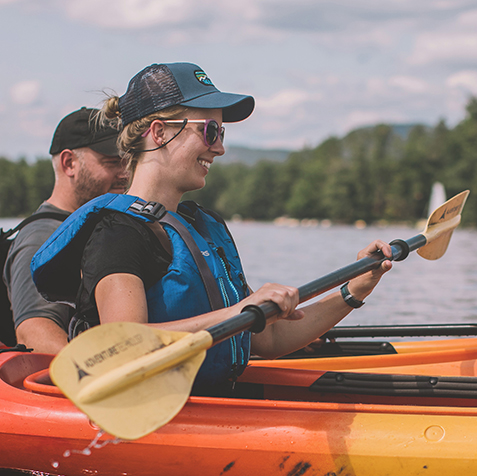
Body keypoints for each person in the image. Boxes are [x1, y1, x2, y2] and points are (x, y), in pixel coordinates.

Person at [32, 63, 392, 391]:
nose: (219, 148)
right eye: (210, 131)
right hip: (151, 414)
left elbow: (267, 339)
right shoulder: (118, 232)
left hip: (214, 402)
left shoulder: (202, 227)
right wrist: (238, 311)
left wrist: (354, 290)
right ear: (159, 133)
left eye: (221, 133)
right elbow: (121, 345)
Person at [3, 107, 128, 354]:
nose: (125, 173)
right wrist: (98, 377)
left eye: (127, 162)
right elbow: (34, 332)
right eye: (112, 162)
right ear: (69, 163)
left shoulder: (95, 228)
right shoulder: (43, 237)